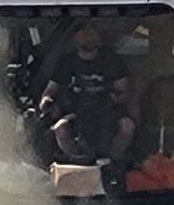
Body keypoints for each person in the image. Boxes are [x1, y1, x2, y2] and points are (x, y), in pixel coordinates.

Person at [38, 22, 136, 164]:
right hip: (75, 112)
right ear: (75, 38)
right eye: (83, 32)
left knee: (127, 126)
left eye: (92, 32)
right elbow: (50, 91)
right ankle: (78, 163)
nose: (89, 36)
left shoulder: (111, 60)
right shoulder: (66, 62)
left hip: (106, 111)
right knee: (60, 129)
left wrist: (117, 98)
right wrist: (46, 102)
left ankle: (112, 164)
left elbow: (124, 90)